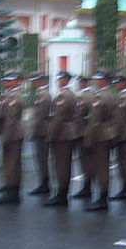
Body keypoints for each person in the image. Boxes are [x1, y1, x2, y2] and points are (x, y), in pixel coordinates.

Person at [83, 70, 117, 211]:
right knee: (103, 166)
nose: (96, 82)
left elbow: (95, 122)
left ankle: (102, 198)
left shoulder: (100, 97)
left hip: (100, 136)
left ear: (104, 80)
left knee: (101, 168)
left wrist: (89, 140)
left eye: (98, 79)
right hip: (107, 133)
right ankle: (103, 196)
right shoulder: (111, 95)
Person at [45, 71, 77, 207]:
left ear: (66, 80)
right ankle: (62, 192)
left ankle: (62, 194)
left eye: (60, 79)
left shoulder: (63, 95)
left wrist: (51, 135)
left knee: (61, 165)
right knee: (63, 164)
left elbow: (58, 118)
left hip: (62, 133)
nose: (58, 81)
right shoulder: (69, 94)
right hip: (66, 132)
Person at [0, 72, 25, 204]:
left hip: (12, 133)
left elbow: (11, 119)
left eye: (9, 81)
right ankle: (11, 187)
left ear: (16, 81)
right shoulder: (8, 95)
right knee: (11, 162)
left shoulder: (14, 97)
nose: (6, 83)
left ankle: (12, 191)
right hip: (11, 132)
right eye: (5, 81)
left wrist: (6, 137)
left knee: (11, 163)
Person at [109, 74, 126, 201]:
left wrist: (115, 136)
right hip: (124, 133)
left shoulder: (125, 98)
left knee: (123, 162)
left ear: (124, 82)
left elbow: (120, 120)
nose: (116, 84)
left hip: (123, 134)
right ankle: (125, 187)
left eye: (118, 82)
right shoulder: (124, 96)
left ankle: (125, 188)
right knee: (123, 161)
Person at [28, 73, 52, 196]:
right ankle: (43, 182)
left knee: (42, 158)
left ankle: (45, 183)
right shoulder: (40, 94)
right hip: (41, 129)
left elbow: (41, 115)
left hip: (42, 130)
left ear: (41, 81)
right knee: (40, 158)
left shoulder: (43, 95)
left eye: (36, 81)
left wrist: (34, 131)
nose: (34, 83)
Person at [71, 75, 95, 200]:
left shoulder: (88, 96)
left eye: (79, 82)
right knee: (83, 161)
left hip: (85, 133)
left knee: (87, 161)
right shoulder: (82, 96)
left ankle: (88, 186)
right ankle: (86, 185)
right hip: (80, 132)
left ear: (84, 83)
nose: (78, 84)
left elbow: (90, 117)